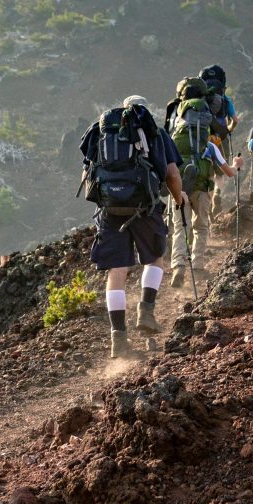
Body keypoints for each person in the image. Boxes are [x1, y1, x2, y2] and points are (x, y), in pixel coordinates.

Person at [79, 95, 185, 358]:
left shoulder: (100, 132)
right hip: (144, 207)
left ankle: (119, 339)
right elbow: (172, 174)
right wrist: (178, 198)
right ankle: (146, 312)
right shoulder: (155, 133)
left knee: (117, 271)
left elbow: (86, 175)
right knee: (155, 260)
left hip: (110, 210)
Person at [165, 80, 242, 286]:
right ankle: (197, 266)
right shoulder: (209, 145)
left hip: (179, 187)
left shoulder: (173, 141)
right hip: (202, 188)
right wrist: (236, 164)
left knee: (181, 227)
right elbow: (229, 173)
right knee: (201, 226)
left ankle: (178, 266)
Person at [198, 64, 239, 215]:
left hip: (203, 138)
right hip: (220, 138)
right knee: (220, 172)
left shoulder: (200, 99)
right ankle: (218, 195)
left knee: (206, 171)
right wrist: (228, 129)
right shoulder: (225, 99)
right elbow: (235, 120)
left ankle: (207, 201)